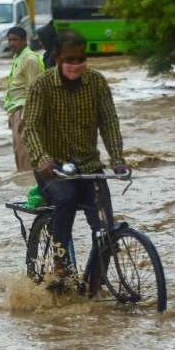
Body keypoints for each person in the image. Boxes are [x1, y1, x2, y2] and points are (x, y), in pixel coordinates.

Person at [22, 30, 129, 284]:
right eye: (70, 60)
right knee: (66, 198)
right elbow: (31, 128)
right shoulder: (43, 85)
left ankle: (98, 278)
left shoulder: (97, 82)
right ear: (58, 58)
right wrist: (42, 158)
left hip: (89, 165)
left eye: (81, 59)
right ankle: (60, 261)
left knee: (105, 224)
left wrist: (117, 158)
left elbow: (109, 122)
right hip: (53, 167)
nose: (76, 65)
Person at [4, 26, 45, 172]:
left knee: (24, 152)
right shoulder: (17, 57)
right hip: (15, 109)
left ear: (24, 40)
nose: (11, 43)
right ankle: (22, 181)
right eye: (9, 40)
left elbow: (32, 90)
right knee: (18, 150)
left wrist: (26, 116)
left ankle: (28, 181)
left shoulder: (30, 59)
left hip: (24, 110)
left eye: (15, 40)